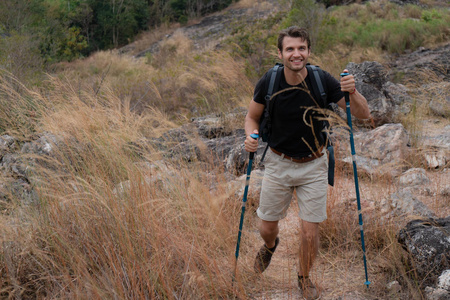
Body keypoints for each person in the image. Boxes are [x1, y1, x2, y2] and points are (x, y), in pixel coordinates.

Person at [244, 26, 371, 300]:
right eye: (290, 49)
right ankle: (270, 246)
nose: (296, 54)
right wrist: (251, 137)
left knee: (309, 233)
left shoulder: (321, 80)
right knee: (266, 226)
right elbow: (252, 117)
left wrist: (353, 92)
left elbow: (361, 114)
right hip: (278, 162)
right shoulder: (270, 80)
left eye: (301, 48)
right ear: (280, 53)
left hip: (314, 164)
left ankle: (303, 278)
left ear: (309, 51)